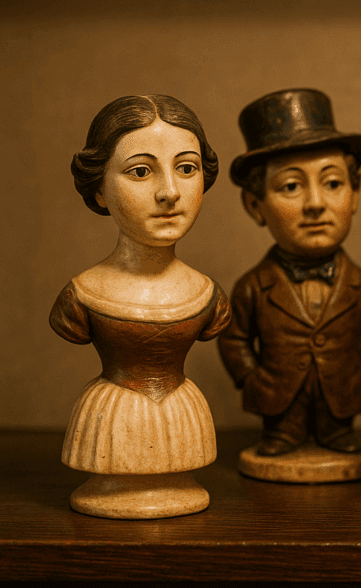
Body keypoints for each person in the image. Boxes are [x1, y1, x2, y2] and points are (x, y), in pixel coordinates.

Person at [50, 94, 229, 518]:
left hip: (182, 412)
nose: (169, 192)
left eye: (186, 168)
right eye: (141, 171)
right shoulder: (81, 295)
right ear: (99, 190)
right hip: (110, 415)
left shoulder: (208, 295)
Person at [218, 89, 361, 458]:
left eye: (333, 183)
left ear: (355, 193)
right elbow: (234, 341)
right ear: (255, 205)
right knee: (279, 439)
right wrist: (253, 380)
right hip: (277, 400)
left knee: (341, 439)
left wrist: (360, 375)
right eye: (291, 186)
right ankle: (282, 431)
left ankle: (336, 431)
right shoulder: (252, 287)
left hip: (342, 399)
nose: (315, 203)